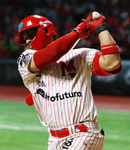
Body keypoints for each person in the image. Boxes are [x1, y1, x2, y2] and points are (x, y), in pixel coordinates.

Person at [14, 12, 122, 150]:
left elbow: (112, 64)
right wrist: (78, 31)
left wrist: (101, 27)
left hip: (83, 134)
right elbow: (51, 54)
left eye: (29, 35)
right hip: (54, 139)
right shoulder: (25, 59)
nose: (27, 41)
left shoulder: (81, 55)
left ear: (46, 30)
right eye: (24, 39)